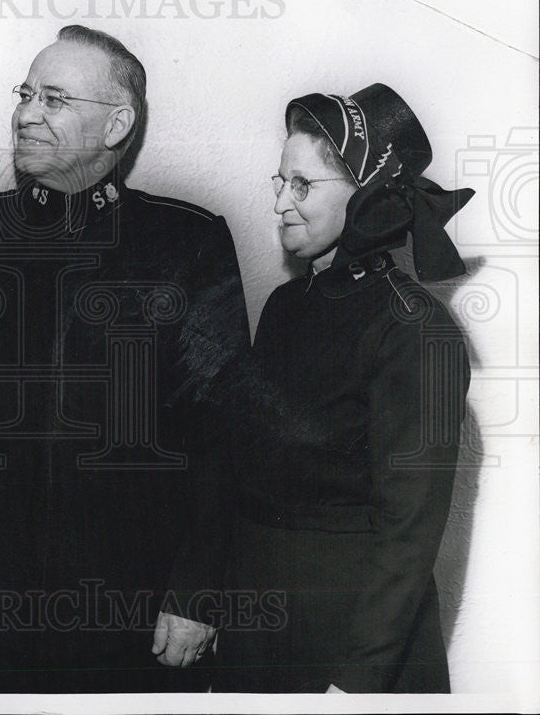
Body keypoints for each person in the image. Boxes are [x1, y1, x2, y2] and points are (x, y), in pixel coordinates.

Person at [0, 25, 250, 693]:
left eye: (54, 99)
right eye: (25, 93)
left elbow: (219, 436)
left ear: (117, 125)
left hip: (133, 623)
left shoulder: (186, 242)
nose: (26, 112)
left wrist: (196, 593)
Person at [210, 84, 473, 692]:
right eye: (279, 181)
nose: (280, 203)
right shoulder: (284, 305)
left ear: (367, 196)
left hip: (349, 640)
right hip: (260, 626)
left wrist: (355, 684)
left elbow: (409, 532)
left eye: (302, 184)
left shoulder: (414, 327)